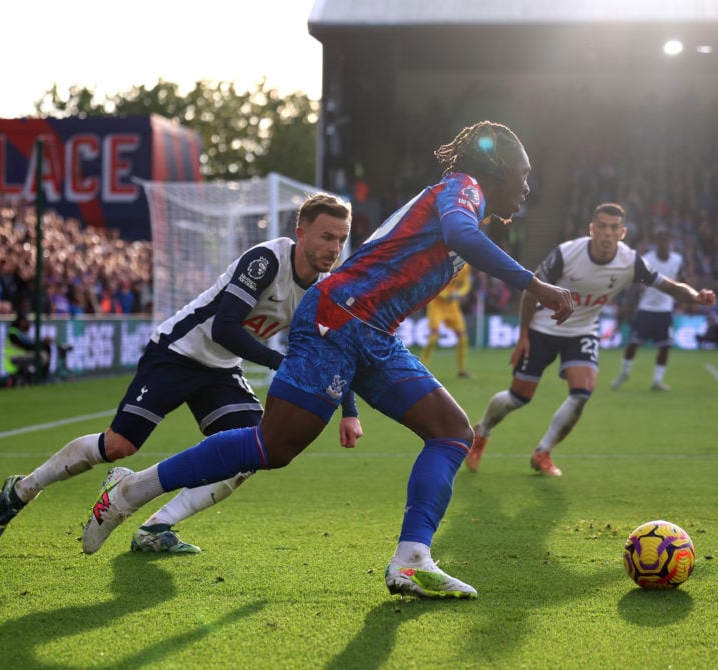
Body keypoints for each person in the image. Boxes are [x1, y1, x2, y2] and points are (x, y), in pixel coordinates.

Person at [78, 121, 575, 600]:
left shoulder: (467, 199)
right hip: (336, 319)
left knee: (451, 433)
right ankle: (129, 491)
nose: (529, 186)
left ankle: (411, 558)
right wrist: (537, 284)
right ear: (498, 168)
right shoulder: (464, 187)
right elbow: (463, 237)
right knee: (273, 447)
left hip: (372, 333)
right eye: (525, 174)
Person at [0, 193, 361, 553]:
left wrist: (350, 411)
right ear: (301, 232)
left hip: (222, 368)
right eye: (327, 236)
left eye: (341, 239)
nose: (334, 247)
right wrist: (281, 364)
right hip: (178, 352)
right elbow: (223, 328)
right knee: (119, 446)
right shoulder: (266, 261)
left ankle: (155, 527)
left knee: (250, 453)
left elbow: (334, 351)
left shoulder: (323, 290)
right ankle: (23, 489)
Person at [468, 203, 715, 477]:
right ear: (592, 229)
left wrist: (695, 296)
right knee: (517, 398)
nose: (607, 233)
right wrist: (523, 335)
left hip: (582, 330)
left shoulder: (630, 261)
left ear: (622, 233)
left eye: (613, 228)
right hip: (543, 328)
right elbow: (530, 291)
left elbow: (668, 285)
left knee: (582, 393)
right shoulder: (566, 253)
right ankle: (481, 432)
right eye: (602, 227)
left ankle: (543, 452)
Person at [611, 225, 684, 391]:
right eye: (660, 239)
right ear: (656, 241)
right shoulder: (647, 259)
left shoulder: (677, 260)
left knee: (665, 346)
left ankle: (657, 380)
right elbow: (636, 282)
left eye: (666, 239)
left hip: (665, 310)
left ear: (670, 241)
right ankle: (624, 372)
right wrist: (631, 302)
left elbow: (680, 279)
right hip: (646, 308)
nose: (663, 242)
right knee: (634, 343)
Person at [420, 262, 473, 378]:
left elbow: (466, 283)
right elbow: (432, 283)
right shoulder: (441, 262)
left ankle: (462, 371)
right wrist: (445, 295)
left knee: (463, 337)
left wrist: (459, 293)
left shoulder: (466, 265)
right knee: (433, 337)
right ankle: (422, 368)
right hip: (436, 304)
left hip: (452, 306)